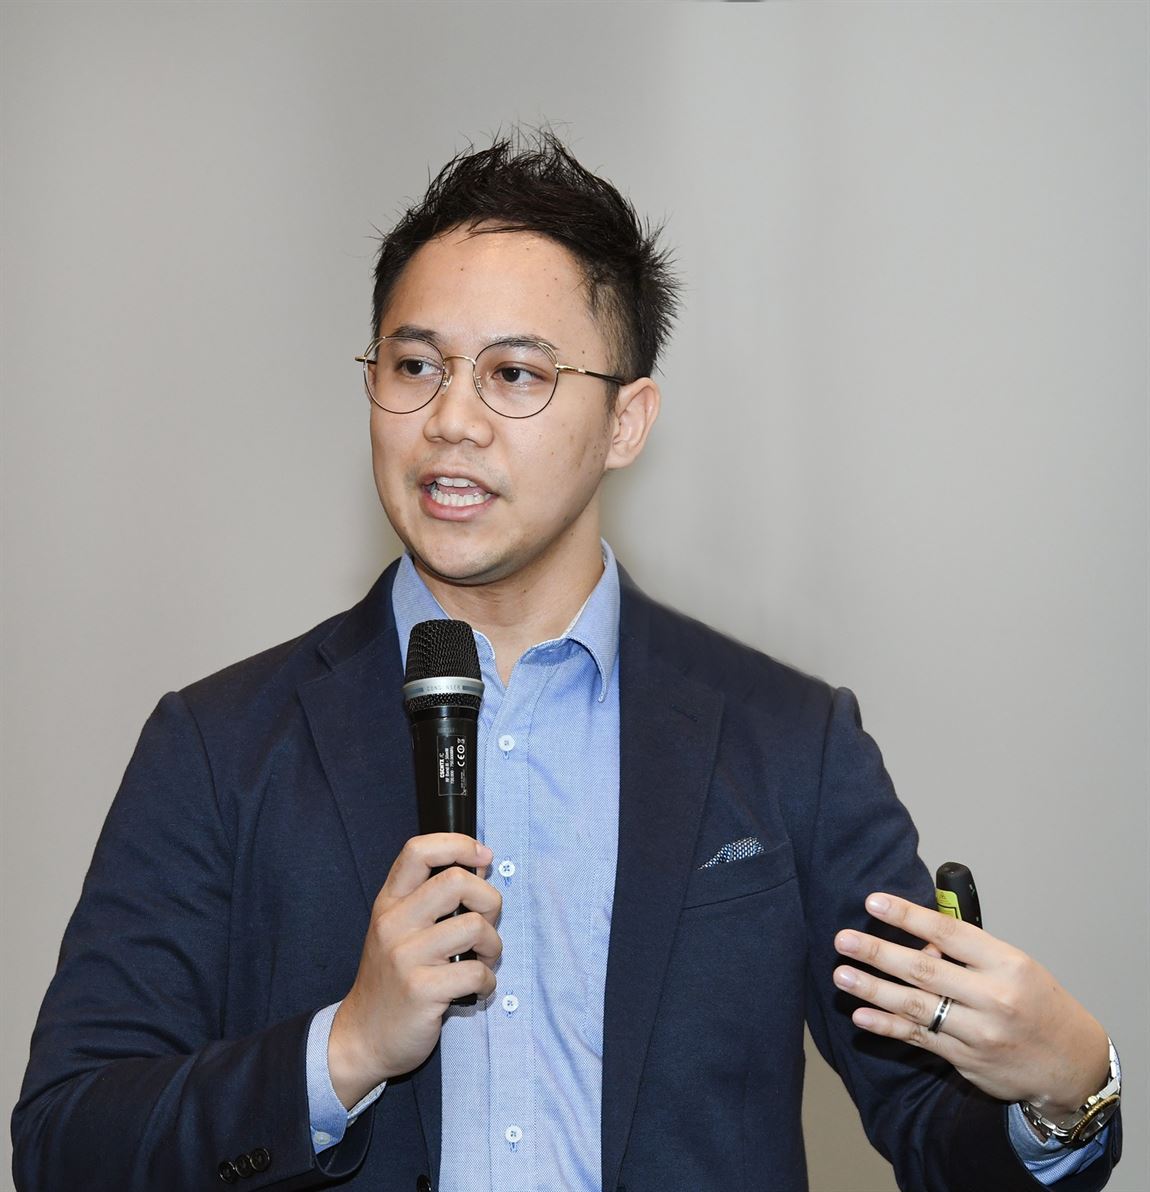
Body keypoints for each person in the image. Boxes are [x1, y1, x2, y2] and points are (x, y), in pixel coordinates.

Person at [12, 132, 1121, 1192]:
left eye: (514, 374)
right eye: (414, 364)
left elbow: (935, 1131)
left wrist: (1064, 1086)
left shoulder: (786, 739)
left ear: (626, 421)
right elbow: (67, 1144)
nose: (450, 420)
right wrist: (343, 1048)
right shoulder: (221, 745)